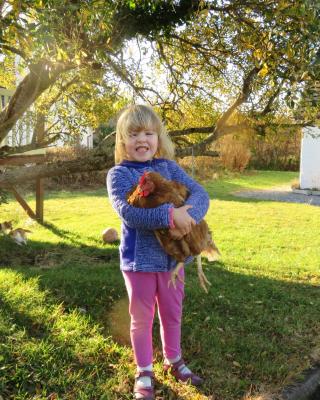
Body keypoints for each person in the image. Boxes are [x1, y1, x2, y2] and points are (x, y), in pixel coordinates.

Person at [107, 104, 209, 400]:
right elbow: (128, 212)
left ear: (158, 138)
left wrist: (188, 217)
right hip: (139, 262)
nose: (142, 139)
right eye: (134, 133)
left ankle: (174, 360)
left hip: (173, 261)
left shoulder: (169, 167)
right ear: (123, 141)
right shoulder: (118, 174)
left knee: (172, 312)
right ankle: (144, 370)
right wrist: (169, 216)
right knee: (141, 317)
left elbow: (201, 194)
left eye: (149, 133)